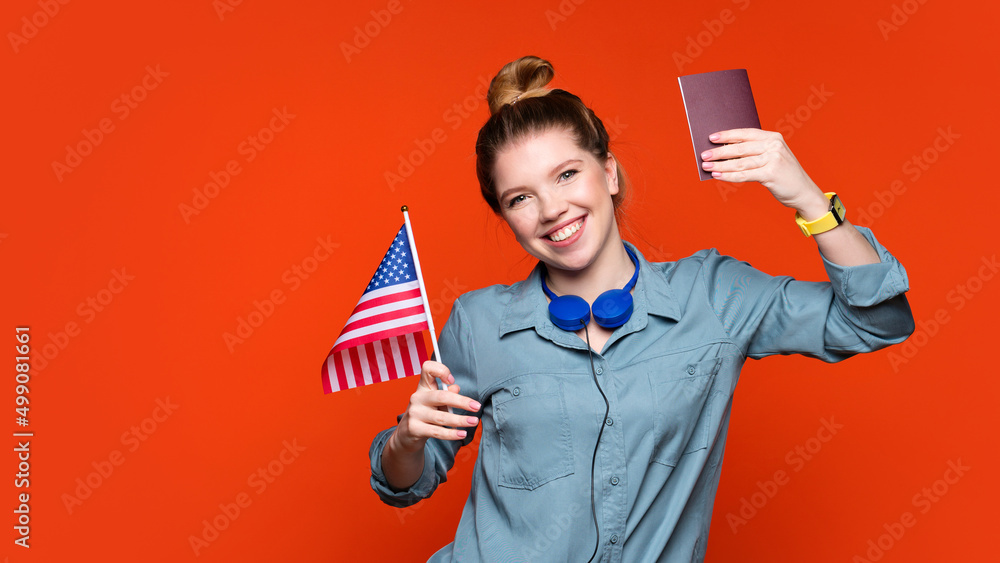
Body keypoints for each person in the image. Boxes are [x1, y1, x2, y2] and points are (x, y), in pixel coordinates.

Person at [368, 56, 914, 562]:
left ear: (608, 172)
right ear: (506, 216)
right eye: (520, 197)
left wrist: (810, 201)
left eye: (566, 175)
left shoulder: (712, 296)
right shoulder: (478, 323)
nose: (552, 209)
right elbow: (402, 484)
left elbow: (878, 320)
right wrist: (406, 440)